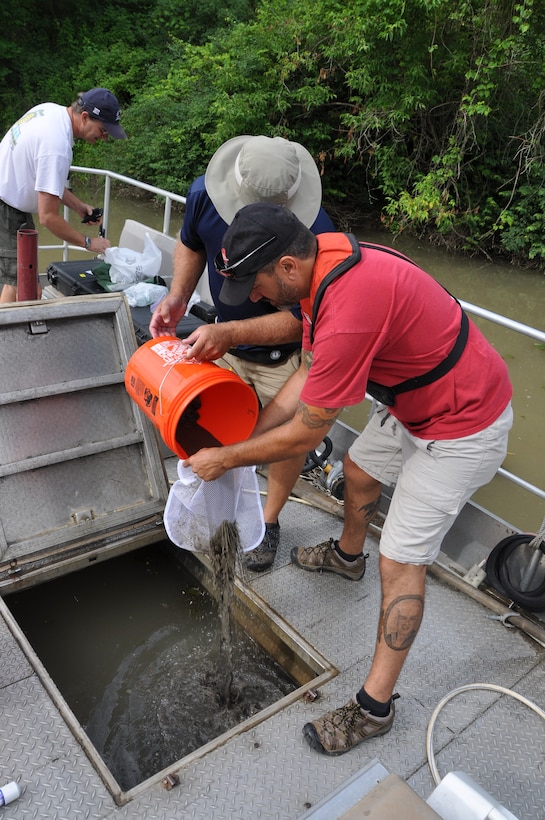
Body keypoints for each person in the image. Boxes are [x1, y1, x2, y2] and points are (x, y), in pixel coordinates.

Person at [184, 201, 513, 755]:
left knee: (402, 562)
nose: (258, 298)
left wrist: (227, 460)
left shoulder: (351, 304)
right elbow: (307, 376)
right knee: (359, 469)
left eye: (259, 285)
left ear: (287, 266)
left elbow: (306, 435)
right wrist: (236, 441)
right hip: (411, 402)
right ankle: (346, 556)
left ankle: (374, 709)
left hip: (462, 426)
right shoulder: (324, 264)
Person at [150, 135, 335, 572]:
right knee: (212, 422)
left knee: (286, 440)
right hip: (224, 341)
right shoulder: (204, 195)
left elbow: (306, 320)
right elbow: (192, 242)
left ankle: (267, 522)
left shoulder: (317, 233)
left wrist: (232, 332)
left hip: (285, 356)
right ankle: (219, 514)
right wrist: (178, 296)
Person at [0, 88, 126, 303]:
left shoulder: (49, 111)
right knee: (27, 291)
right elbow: (48, 218)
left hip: (7, 198)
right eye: (103, 130)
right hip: (7, 209)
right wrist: (89, 243)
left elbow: (44, 180)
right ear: (85, 116)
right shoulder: (56, 145)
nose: (104, 138)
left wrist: (78, 206)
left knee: (14, 284)